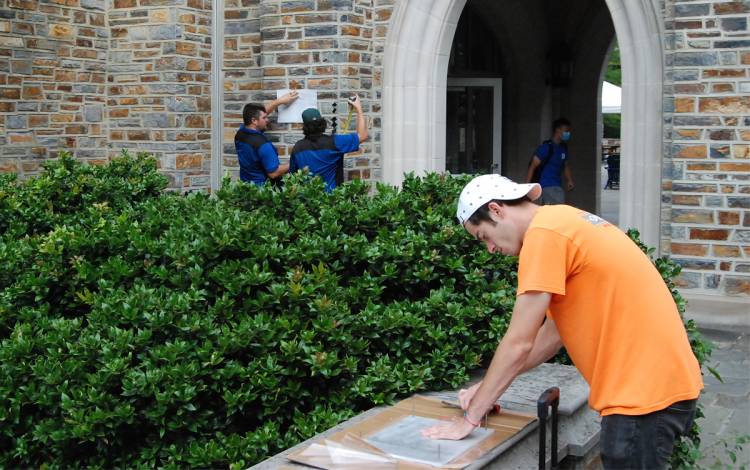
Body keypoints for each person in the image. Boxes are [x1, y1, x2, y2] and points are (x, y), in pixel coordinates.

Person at [422, 174, 703, 470]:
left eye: (484, 237)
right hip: (656, 385)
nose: (490, 249)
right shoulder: (561, 220)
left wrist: (470, 418)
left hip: (642, 396)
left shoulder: (543, 235)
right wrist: (486, 388)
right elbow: (550, 336)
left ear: (496, 209)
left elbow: (519, 342)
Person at [289, 94, 368, 192]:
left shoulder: (297, 148)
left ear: (305, 127)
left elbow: (292, 177)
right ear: (322, 123)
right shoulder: (334, 142)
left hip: (307, 202)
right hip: (330, 201)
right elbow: (363, 135)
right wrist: (358, 108)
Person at [234, 91, 299, 186]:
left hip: (245, 187)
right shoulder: (263, 145)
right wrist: (297, 162)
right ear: (254, 121)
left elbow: (258, 114)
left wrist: (280, 101)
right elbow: (273, 173)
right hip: (261, 192)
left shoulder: (240, 133)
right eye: (264, 118)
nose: (267, 120)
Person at [525, 117, 575, 204]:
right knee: (558, 213)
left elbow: (565, 165)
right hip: (547, 186)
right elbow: (532, 166)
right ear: (557, 130)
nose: (568, 133)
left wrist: (569, 180)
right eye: (566, 131)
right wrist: (527, 186)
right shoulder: (546, 148)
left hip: (556, 185)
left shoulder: (563, 148)